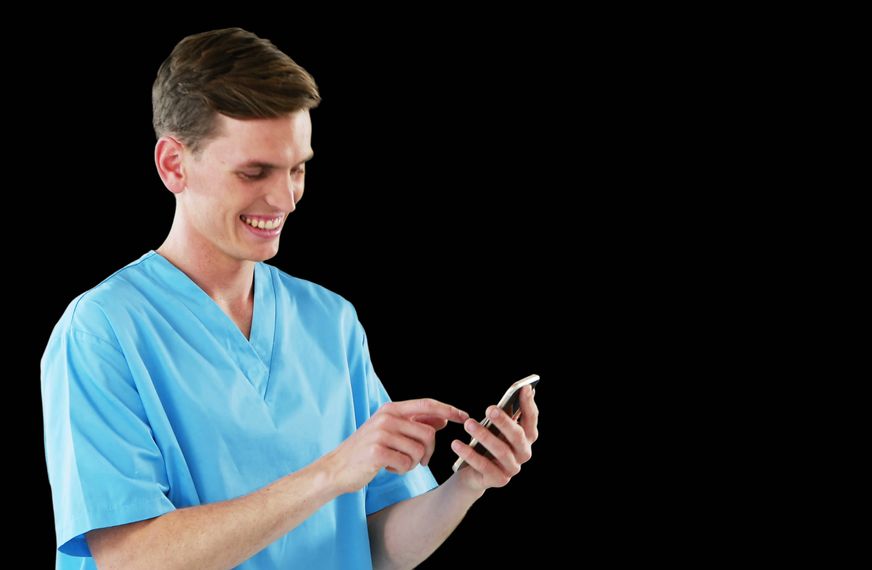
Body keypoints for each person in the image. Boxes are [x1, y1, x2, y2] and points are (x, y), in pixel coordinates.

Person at [41, 27, 539, 570]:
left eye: (297, 168)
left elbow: (373, 545)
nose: (285, 198)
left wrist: (465, 485)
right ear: (173, 165)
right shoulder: (103, 332)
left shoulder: (331, 322)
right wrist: (330, 474)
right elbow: (131, 558)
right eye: (254, 172)